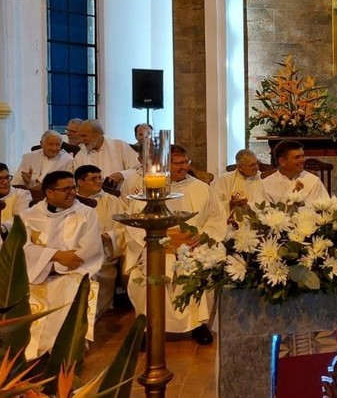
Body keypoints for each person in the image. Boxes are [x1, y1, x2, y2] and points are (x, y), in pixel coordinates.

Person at [124, 144, 225, 345]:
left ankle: (198, 324)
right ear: (164, 165)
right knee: (151, 272)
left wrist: (202, 237)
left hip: (194, 246)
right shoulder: (150, 190)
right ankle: (148, 327)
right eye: (177, 163)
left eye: (185, 162)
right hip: (157, 247)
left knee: (200, 267)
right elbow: (134, 223)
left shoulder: (202, 188)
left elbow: (216, 220)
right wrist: (158, 242)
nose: (183, 167)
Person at [20, 170, 103, 359]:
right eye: (66, 189)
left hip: (73, 272)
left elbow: (91, 248)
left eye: (73, 187)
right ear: (49, 192)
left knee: (70, 290)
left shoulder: (86, 214)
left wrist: (55, 265)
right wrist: (56, 256)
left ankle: (65, 348)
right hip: (37, 274)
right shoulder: (29, 216)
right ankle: (31, 352)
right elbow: (24, 247)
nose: (72, 192)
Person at [75, 164, 128, 316]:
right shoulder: (72, 202)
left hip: (104, 249)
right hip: (76, 251)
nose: (99, 182)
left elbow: (125, 226)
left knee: (94, 272)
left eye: (100, 178)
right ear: (80, 182)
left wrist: (108, 236)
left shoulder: (112, 201)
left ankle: (95, 315)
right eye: (93, 179)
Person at [73, 119, 140, 187]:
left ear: (98, 134)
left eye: (84, 136)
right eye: (80, 136)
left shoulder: (119, 146)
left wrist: (121, 175)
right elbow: (78, 181)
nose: (82, 140)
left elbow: (138, 169)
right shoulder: (80, 155)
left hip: (120, 193)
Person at [261, 141, 328, 207]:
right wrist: (292, 194)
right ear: (282, 161)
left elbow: (324, 205)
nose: (302, 160)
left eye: (302, 156)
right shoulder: (266, 184)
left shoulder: (312, 180)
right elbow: (265, 212)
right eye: (297, 157)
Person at [215, 149, 268, 222]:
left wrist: (247, 206)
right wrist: (230, 204)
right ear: (240, 167)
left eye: (257, 163)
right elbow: (215, 204)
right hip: (231, 222)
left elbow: (267, 204)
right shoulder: (225, 179)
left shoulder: (263, 179)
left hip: (255, 223)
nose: (257, 167)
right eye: (252, 165)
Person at [1, 162, 32, 242]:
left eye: (7, 177)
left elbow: (20, 220)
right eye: (0, 179)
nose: (5, 182)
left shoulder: (22, 194)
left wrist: (2, 227)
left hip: (12, 241)